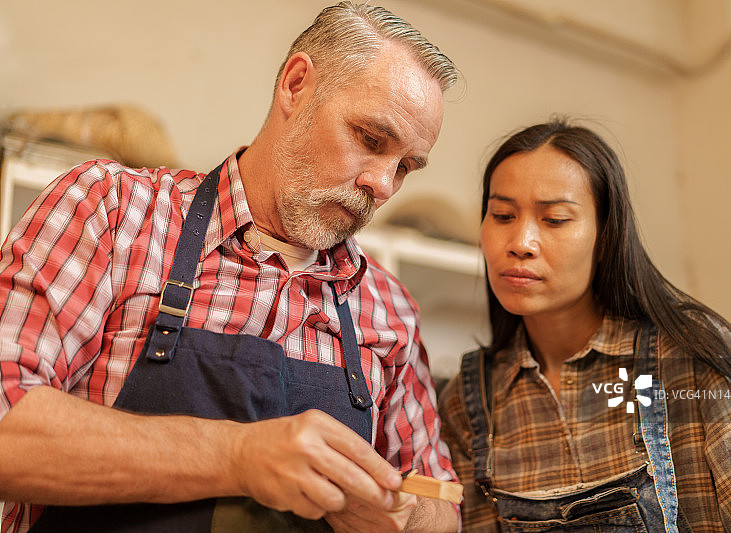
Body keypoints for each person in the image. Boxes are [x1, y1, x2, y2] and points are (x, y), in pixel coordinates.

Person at [0, 3, 461, 532]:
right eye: (370, 140)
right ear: (295, 85)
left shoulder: (390, 307)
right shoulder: (112, 212)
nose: (382, 184)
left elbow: (442, 504)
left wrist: (403, 517)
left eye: (405, 166)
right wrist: (239, 457)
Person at [438, 119, 731, 532]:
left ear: (607, 235)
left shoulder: (689, 356)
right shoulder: (468, 402)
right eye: (502, 215)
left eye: (554, 219)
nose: (520, 242)